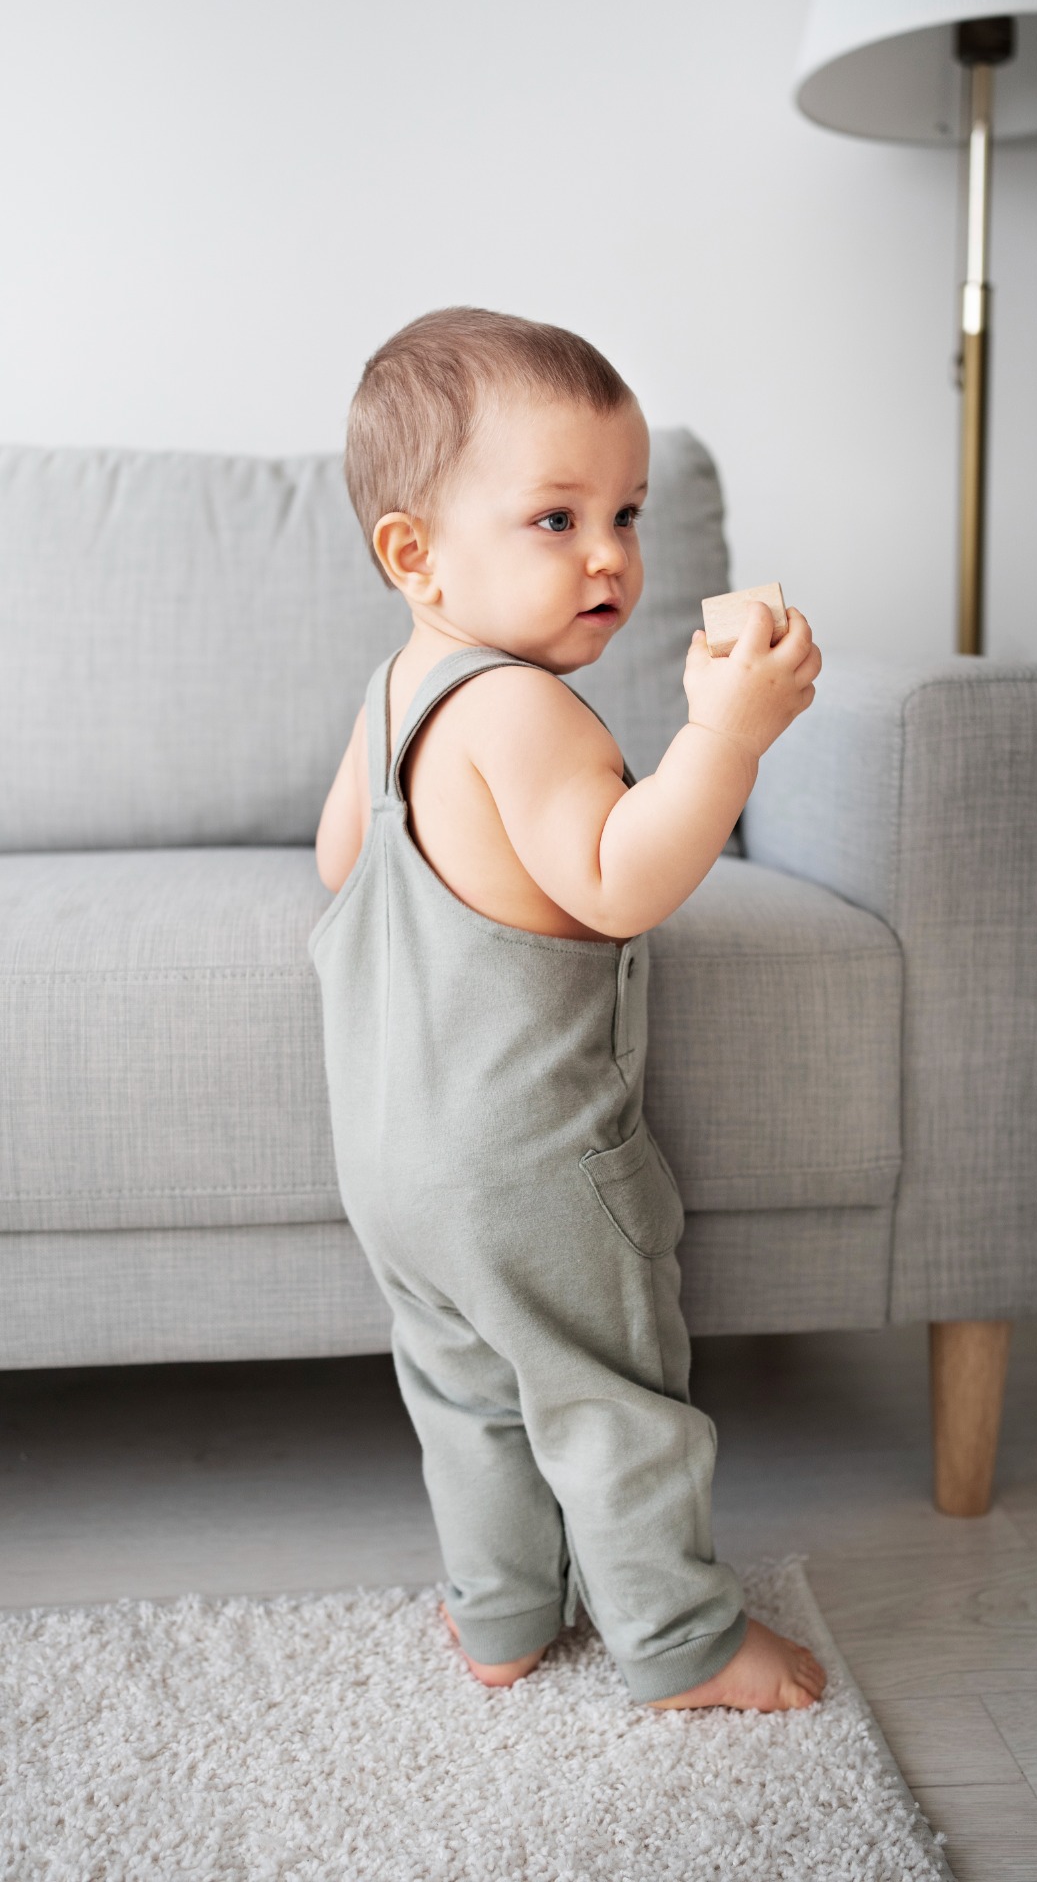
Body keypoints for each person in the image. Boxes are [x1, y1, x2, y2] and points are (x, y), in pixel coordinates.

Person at [309, 306, 825, 1711]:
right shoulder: (526, 710)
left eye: (627, 513)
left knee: (466, 1397)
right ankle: (681, 1643)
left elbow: (345, 864)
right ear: (414, 553)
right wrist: (725, 738)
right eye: (557, 517)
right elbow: (618, 882)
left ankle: (502, 1619)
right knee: (613, 1404)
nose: (609, 554)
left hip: (394, 1166)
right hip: (533, 1169)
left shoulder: (394, 698)